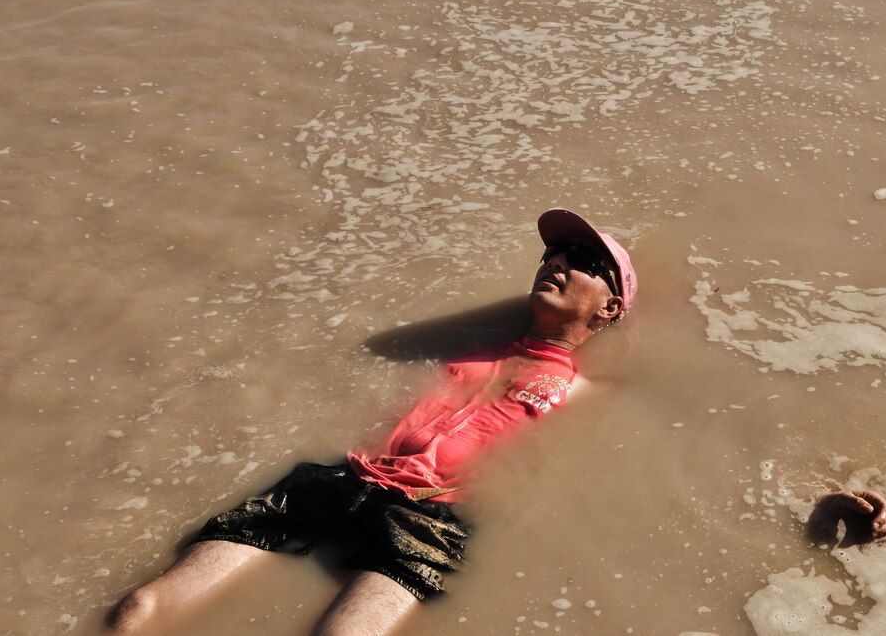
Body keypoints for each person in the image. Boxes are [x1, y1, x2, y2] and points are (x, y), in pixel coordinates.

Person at [106, 208, 638, 635]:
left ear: (610, 308)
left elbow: (556, 484)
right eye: (551, 253)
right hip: (344, 476)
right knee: (138, 607)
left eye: (583, 260)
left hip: (432, 514)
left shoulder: (586, 392)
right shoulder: (461, 347)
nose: (557, 261)